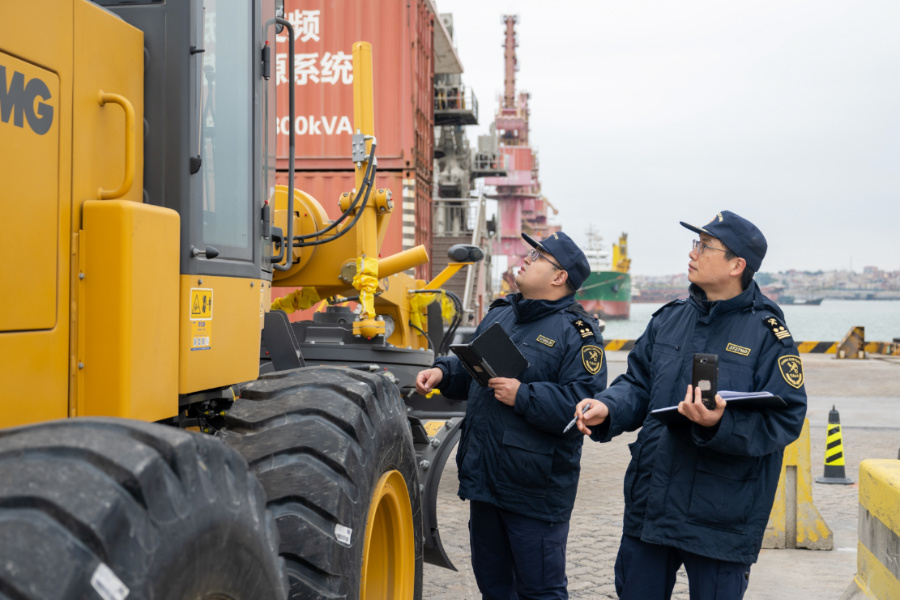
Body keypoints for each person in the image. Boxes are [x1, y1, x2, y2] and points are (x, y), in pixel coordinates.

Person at [574, 211, 807, 600]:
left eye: (704, 245)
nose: (692, 252)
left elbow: (785, 419)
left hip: (720, 516)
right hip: (653, 503)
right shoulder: (669, 319)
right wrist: (609, 408)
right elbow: (637, 383)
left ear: (737, 265)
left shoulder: (769, 336)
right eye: (694, 243)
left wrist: (718, 424)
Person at [416, 231, 608, 600]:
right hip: (485, 483)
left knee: (540, 591)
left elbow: (584, 404)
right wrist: (443, 372)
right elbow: (473, 369)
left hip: (533, 492)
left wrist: (524, 396)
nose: (526, 258)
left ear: (559, 277)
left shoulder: (578, 334)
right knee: (495, 588)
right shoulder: (503, 312)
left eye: (537, 256)